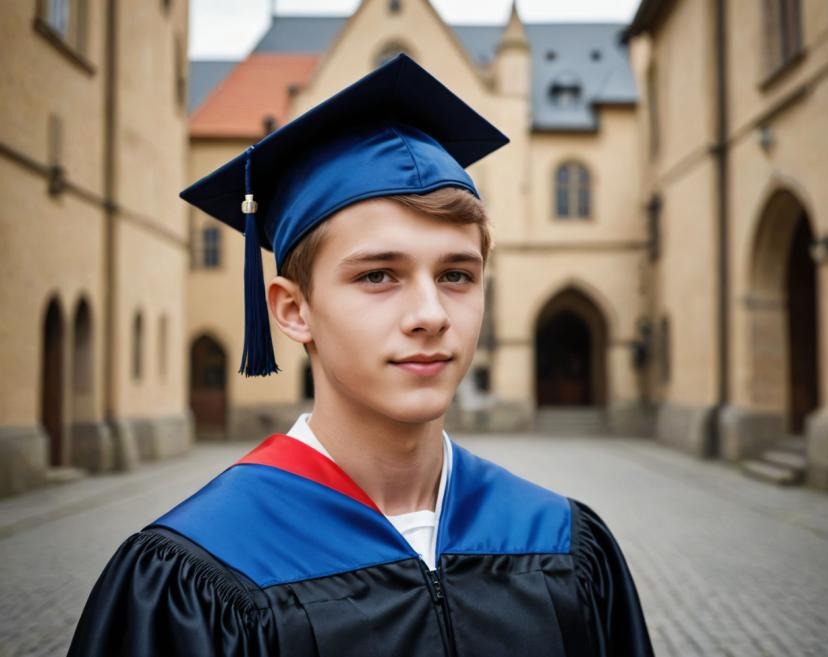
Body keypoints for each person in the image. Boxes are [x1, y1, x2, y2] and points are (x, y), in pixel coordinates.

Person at [67, 53, 655, 657]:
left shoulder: (560, 541)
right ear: (294, 311)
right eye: (378, 276)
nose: (431, 313)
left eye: (457, 274)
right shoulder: (198, 570)